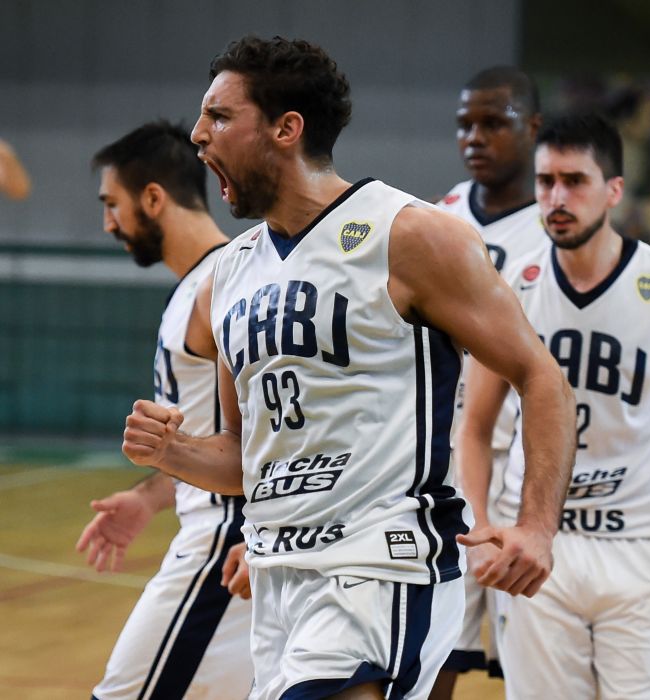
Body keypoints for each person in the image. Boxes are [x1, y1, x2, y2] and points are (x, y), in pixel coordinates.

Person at [121, 36, 576, 700]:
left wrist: (537, 525)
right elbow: (245, 457)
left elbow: (541, 376)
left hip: (381, 567)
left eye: (218, 116)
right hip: (277, 583)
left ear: (286, 128)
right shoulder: (228, 277)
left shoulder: (409, 234)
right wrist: (173, 451)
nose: (197, 134)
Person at [459, 112, 650, 699]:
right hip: (535, 542)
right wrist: (479, 522)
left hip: (641, 545)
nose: (557, 198)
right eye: (546, 181)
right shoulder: (508, 288)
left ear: (614, 190)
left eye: (575, 181)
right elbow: (474, 427)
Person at [76, 120, 253, 699]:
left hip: (227, 541)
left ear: (153, 198)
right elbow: (207, 435)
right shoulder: (198, 285)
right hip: (221, 533)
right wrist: (150, 497)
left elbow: (264, 435)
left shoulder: (223, 283)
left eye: (112, 204)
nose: (109, 223)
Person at [433, 66, 546, 697]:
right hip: (439, 462)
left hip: (521, 469)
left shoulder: (554, 230)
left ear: (532, 128)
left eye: (493, 123)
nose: (474, 137)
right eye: (465, 125)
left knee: (533, 664)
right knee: (432, 653)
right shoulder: (439, 217)